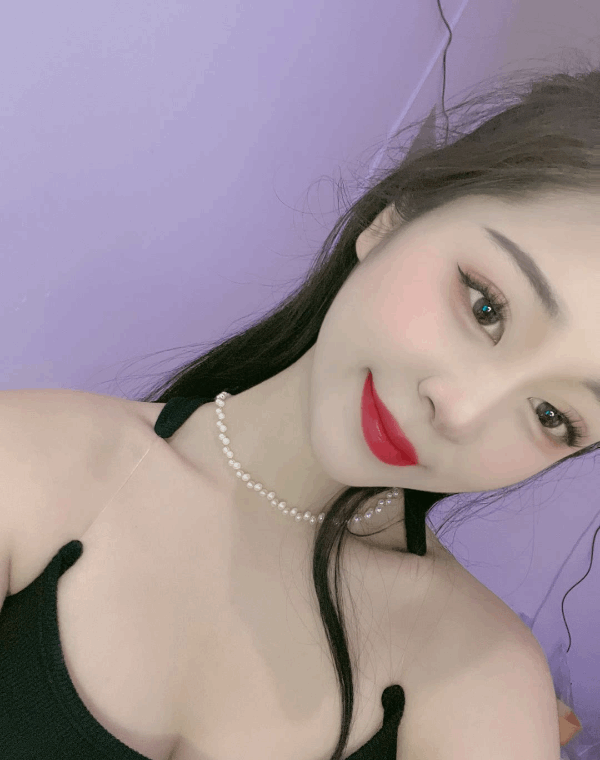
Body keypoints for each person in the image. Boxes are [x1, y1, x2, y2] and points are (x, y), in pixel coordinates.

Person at [1, 67, 597, 759]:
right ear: (392, 219)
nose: (460, 412)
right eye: (485, 306)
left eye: (551, 414)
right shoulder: (34, 462)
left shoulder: (483, 680)